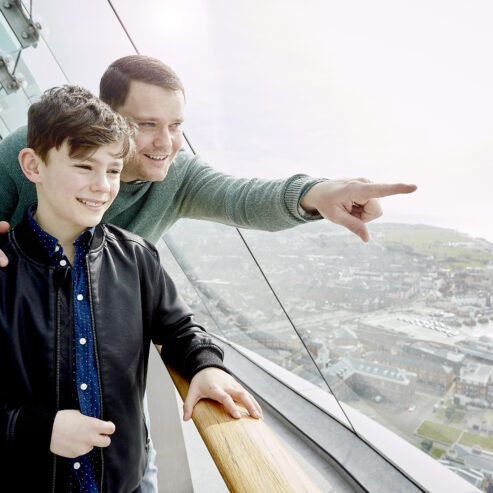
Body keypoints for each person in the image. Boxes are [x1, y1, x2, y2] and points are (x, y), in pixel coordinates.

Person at [0, 55, 417, 491]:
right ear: (109, 116)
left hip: (115, 434)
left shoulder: (150, 229)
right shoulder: (25, 150)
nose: (166, 143)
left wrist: (316, 194)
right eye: (147, 124)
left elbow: (239, 198)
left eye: (177, 125)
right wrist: (32, 427)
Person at [0, 85, 262, 492]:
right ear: (33, 166)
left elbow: (179, 329)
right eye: (85, 167)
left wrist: (206, 365)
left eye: (114, 170)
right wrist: (39, 428)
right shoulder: (2, 271)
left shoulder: (138, 257)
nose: (103, 185)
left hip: (129, 482)